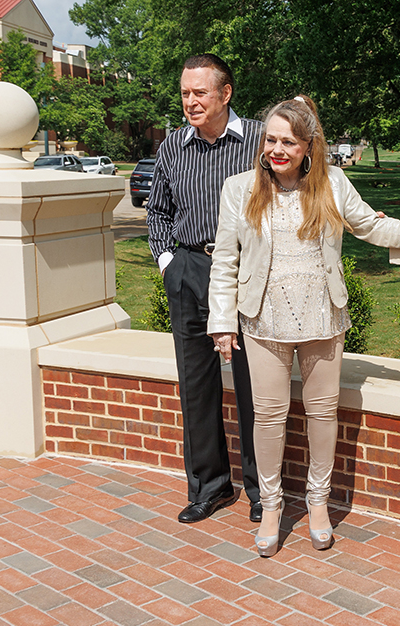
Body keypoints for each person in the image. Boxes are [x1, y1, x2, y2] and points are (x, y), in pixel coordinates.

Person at [207, 96, 400, 557]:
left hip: (323, 316)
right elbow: (225, 261)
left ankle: (317, 502)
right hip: (262, 319)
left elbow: (371, 226)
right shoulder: (239, 189)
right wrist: (222, 322)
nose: (277, 149)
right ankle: (270, 506)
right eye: (271, 139)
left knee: (321, 414)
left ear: (309, 145)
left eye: (289, 141)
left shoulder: (331, 184)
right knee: (268, 417)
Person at [147, 54, 263, 524]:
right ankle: (210, 487)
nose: (190, 101)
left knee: (257, 385)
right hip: (191, 267)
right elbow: (156, 211)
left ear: (225, 93)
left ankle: (261, 490)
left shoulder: (260, 138)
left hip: (250, 272)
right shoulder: (173, 146)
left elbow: (308, 182)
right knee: (196, 385)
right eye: (184, 92)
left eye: (200, 92)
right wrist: (168, 264)